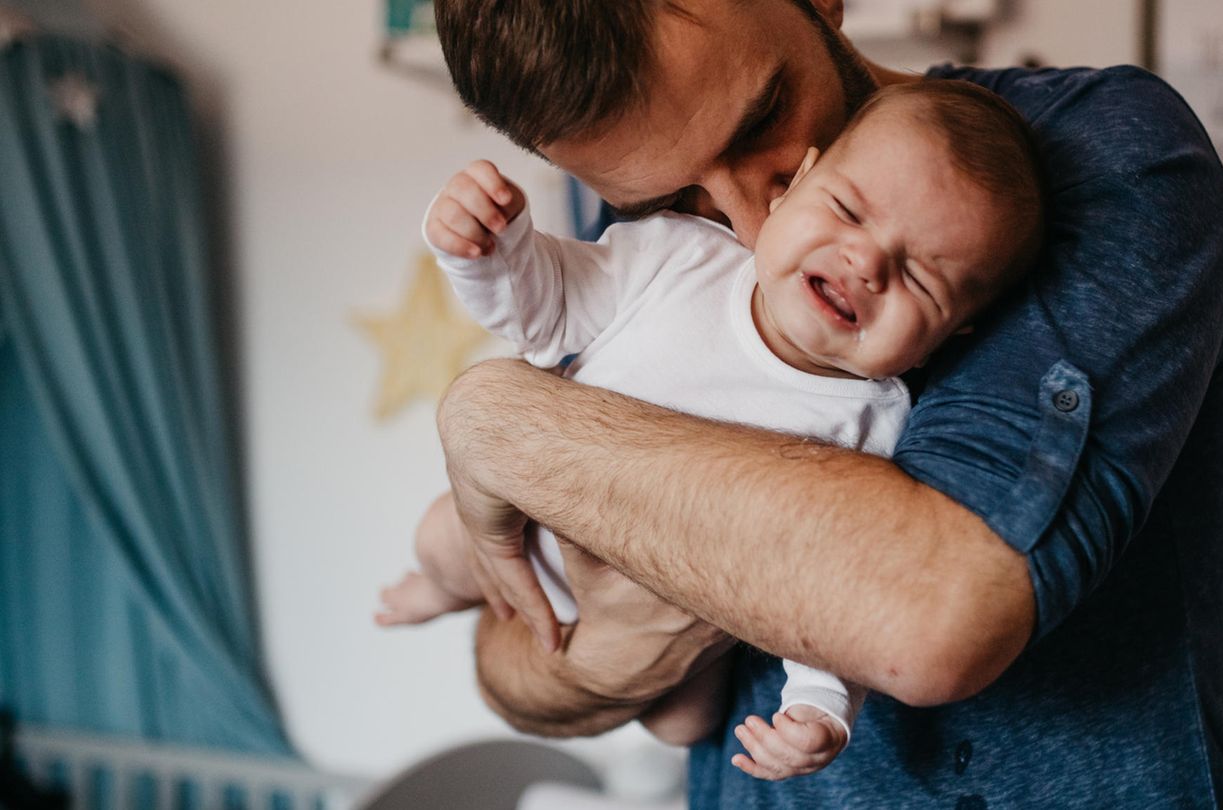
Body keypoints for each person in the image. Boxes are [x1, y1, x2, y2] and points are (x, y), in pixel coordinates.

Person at [424, 0, 1223, 806]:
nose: (752, 229)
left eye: (761, 126)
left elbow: (930, 621)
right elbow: (513, 659)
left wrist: (498, 419)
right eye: (675, 201)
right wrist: (613, 647)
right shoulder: (661, 243)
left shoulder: (1098, 152)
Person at [380, 80, 1044, 781]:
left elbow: (821, 593)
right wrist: (493, 248)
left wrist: (820, 710)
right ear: (792, 188)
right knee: (437, 537)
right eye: (847, 210)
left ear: (952, 332)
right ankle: (445, 591)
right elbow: (541, 314)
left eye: (920, 277)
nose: (867, 262)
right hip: (531, 526)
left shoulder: (875, 425)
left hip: (679, 602)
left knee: (687, 721)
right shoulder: (677, 257)